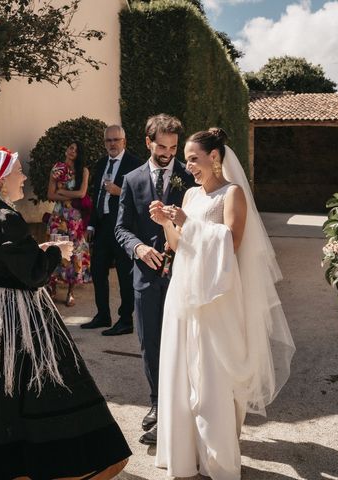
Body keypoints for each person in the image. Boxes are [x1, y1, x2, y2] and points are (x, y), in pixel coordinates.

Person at [0, 147, 131, 480]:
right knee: (37, 386)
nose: (23, 177)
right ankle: (40, 465)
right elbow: (31, 273)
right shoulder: (6, 217)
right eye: (18, 171)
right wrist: (57, 254)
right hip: (9, 313)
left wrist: (40, 251)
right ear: (1, 180)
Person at [150, 128, 295, 479]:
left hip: (218, 296)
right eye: (187, 160)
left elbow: (231, 241)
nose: (188, 167)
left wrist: (188, 224)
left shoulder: (233, 194)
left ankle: (217, 458)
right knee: (182, 369)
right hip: (184, 290)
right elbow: (179, 243)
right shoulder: (188, 197)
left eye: (193, 159)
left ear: (215, 158)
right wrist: (168, 223)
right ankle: (185, 455)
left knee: (213, 373)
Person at [114, 114, 196, 445]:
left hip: (184, 273)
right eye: (162, 146)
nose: (168, 153)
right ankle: (157, 403)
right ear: (148, 142)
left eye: (174, 147)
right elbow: (121, 228)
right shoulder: (131, 179)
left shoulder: (189, 177)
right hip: (145, 276)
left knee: (182, 342)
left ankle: (177, 407)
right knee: (149, 342)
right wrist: (139, 247)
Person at [82, 125, 141, 335]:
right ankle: (103, 315)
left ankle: (126, 320)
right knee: (98, 271)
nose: (112, 144)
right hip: (102, 227)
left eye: (116, 140)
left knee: (125, 276)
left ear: (124, 142)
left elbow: (143, 197)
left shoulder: (135, 165)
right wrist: (91, 223)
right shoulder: (101, 164)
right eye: (109, 141)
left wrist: (119, 191)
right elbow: (96, 196)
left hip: (124, 228)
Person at [46, 141, 92, 306]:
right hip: (58, 217)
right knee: (54, 250)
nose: (73, 151)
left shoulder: (83, 171)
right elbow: (50, 194)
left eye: (77, 150)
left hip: (74, 219)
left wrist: (62, 192)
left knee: (74, 252)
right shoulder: (57, 168)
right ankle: (52, 289)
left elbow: (82, 193)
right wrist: (70, 195)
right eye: (71, 147)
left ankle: (71, 292)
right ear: (66, 149)